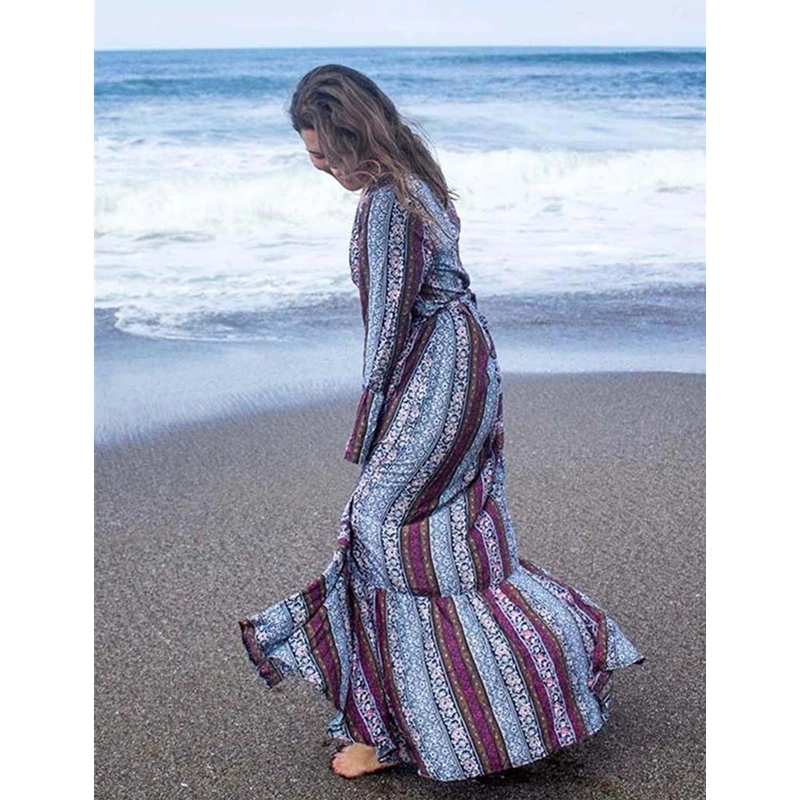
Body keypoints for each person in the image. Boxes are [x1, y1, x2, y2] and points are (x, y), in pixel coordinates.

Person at [239, 64, 645, 783]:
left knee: (381, 536)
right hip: (470, 365)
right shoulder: (418, 182)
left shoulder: (385, 204)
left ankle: (405, 730)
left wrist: (370, 425)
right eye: (313, 157)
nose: (324, 169)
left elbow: (387, 327)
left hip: (433, 376)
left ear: (356, 134)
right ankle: (517, 698)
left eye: (328, 153)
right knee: (448, 539)